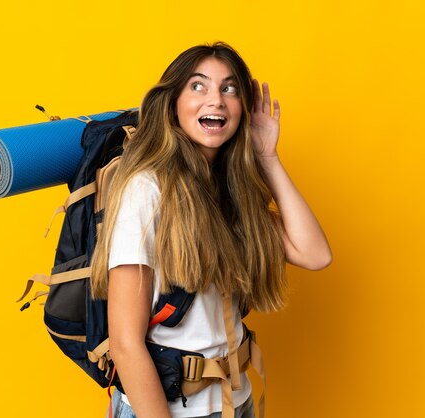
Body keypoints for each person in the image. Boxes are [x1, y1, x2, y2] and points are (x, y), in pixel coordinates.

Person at [91, 42, 332, 418]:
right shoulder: (146, 189)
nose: (216, 100)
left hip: (235, 402)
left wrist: (268, 157)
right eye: (198, 86)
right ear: (172, 104)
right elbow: (125, 342)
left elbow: (316, 254)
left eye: (229, 88)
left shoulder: (231, 188)